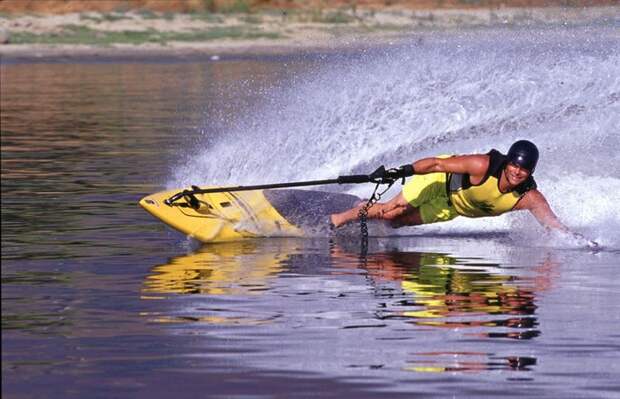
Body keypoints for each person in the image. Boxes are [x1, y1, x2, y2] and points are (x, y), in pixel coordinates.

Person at [330, 140, 598, 247]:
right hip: (439, 181)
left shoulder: (529, 197)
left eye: (523, 169)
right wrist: (402, 171)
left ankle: (363, 208)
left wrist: (586, 244)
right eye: (514, 165)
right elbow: (436, 164)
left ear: (531, 171)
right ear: (507, 162)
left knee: (395, 222)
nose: (517, 172)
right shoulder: (483, 166)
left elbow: (555, 227)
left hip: (453, 207)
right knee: (393, 209)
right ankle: (337, 220)